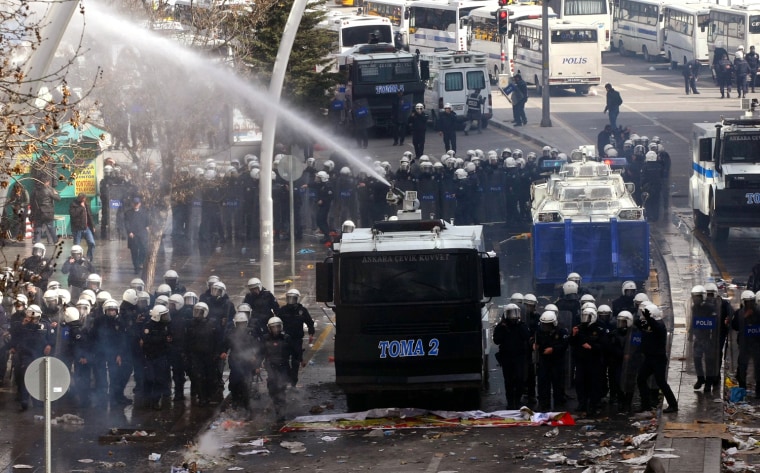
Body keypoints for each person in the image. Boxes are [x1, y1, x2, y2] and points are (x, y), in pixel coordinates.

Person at [635, 303, 678, 413]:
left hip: (658, 359)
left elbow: (657, 328)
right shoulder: (649, 324)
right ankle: (646, 405)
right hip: (649, 358)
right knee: (641, 379)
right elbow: (639, 325)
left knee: (661, 382)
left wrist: (649, 318)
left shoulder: (660, 325)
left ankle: (673, 405)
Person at [493, 304, 530, 409]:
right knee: (508, 381)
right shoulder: (501, 327)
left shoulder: (521, 325)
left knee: (519, 379)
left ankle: (517, 401)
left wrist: (520, 324)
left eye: (515, 313)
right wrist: (503, 328)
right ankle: (510, 403)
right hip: (507, 357)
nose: (513, 316)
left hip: (519, 357)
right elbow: (496, 340)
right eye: (510, 313)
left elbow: (527, 336)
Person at [257, 316, 295, 421]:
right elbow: (261, 353)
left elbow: (294, 352)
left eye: (278, 327)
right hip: (271, 367)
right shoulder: (265, 339)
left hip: (283, 367)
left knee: (281, 388)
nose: (276, 330)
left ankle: (281, 412)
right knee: (272, 389)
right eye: (273, 328)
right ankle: (277, 406)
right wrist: (257, 365)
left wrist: (298, 361)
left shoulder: (286, 338)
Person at [570, 306, 606, 415]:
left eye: (588, 317)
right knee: (580, 382)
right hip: (581, 361)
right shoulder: (579, 328)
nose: (585, 319)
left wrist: (591, 346)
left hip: (594, 361)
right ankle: (582, 403)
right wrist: (574, 335)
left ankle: (593, 405)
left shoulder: (599, 329)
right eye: (584, 316)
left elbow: (604, 344)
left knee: (593, 383)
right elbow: (572, 343)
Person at [277, 288, 315, 387]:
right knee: (284, 361)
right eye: (289, 298)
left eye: (293, 299)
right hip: (285, 340)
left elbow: (310, 323)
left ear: (297, 299)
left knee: (296, 361)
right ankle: (287, 377)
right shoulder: (283, 310)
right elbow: (276, 322)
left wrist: (311, 333)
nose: (291, 301)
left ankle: (293, 382)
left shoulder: (302, 311)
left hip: (297, 340)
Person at [535, 310, 569, 411]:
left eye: (547, 325)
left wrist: (553, 349)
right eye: (544, 324)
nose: (545, 327)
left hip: (556, 361)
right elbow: (534, 339)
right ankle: (543, 404)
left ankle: (558, 404)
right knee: (543, 383)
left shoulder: (562, 332)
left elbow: (564, 345)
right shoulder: (540, 332)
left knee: (557, 383)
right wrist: (533, 343)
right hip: (544, 361)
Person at [140, 305, 171, 410]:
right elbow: (147, 340)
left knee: (160, 380)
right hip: (150, 357)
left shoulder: (164, 326)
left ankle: (155, 401)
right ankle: (146, 400)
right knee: (149, 379)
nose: (166, 317)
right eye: (164, 315)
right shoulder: (148, 326)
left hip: (161, 356)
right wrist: (162, 339)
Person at [732, 291, 760, 396]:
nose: (749, 304)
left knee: (758, 367)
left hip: (756, 344)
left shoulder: (758, 312)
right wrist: (743, 317)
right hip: (744, 344)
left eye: (751, 302)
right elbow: (735, 326)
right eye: (747, 302)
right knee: (742, 366)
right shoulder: (739, 313)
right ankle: (742, 388)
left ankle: (758, 390)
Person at [30, 178, 61, 244]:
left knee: (38, 227)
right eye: (48, 182)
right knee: (50, 226)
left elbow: (31, 202)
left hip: (38, 212)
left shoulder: (34, 191)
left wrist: (32, 212)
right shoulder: (49, 190)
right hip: (48, 212)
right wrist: (55, 193)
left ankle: (37, 242)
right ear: (45, 182)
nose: (49, 183)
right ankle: (55, 240)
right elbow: (58, 199)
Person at [124, 196, 149, 274]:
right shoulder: (128, 213)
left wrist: (148, 228)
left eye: (137, 203)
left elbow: (147, 222)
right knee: (134, 251)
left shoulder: (144, 213)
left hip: (142, 234)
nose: (136, 205)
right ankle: (136, 267)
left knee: (144, 249)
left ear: (140, 204)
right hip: (133, 235)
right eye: (134, 203)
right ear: (132, 204)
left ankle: (140, 262)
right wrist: (129, 232)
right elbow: (126, 223)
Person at [70, 193, 96, 261]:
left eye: (85, 199)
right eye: (83, 199)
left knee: (92, 243)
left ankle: (89, 258)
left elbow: (90, 216)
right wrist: (81, 208)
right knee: (76, 246)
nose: (84, 200)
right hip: (77, 228)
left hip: (86, 228)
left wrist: (92, 226)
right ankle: (75, 259)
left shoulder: (86, 204)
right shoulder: (74, 205)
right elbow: (73, 215)